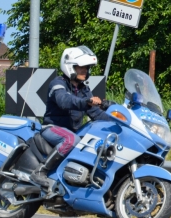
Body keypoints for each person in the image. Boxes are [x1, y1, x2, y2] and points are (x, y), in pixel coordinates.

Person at [30, 45, 111, 189]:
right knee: (71, 139)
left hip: (73, 131)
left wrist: (118, 122)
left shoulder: (84, 90)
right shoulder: (57, 84)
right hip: (52, 128)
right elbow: (64, 101)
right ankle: (40, 171)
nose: (84, 70)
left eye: (86, 67)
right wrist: (87, 102)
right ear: (70, 66)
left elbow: (96, 114)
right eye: (81, 67)